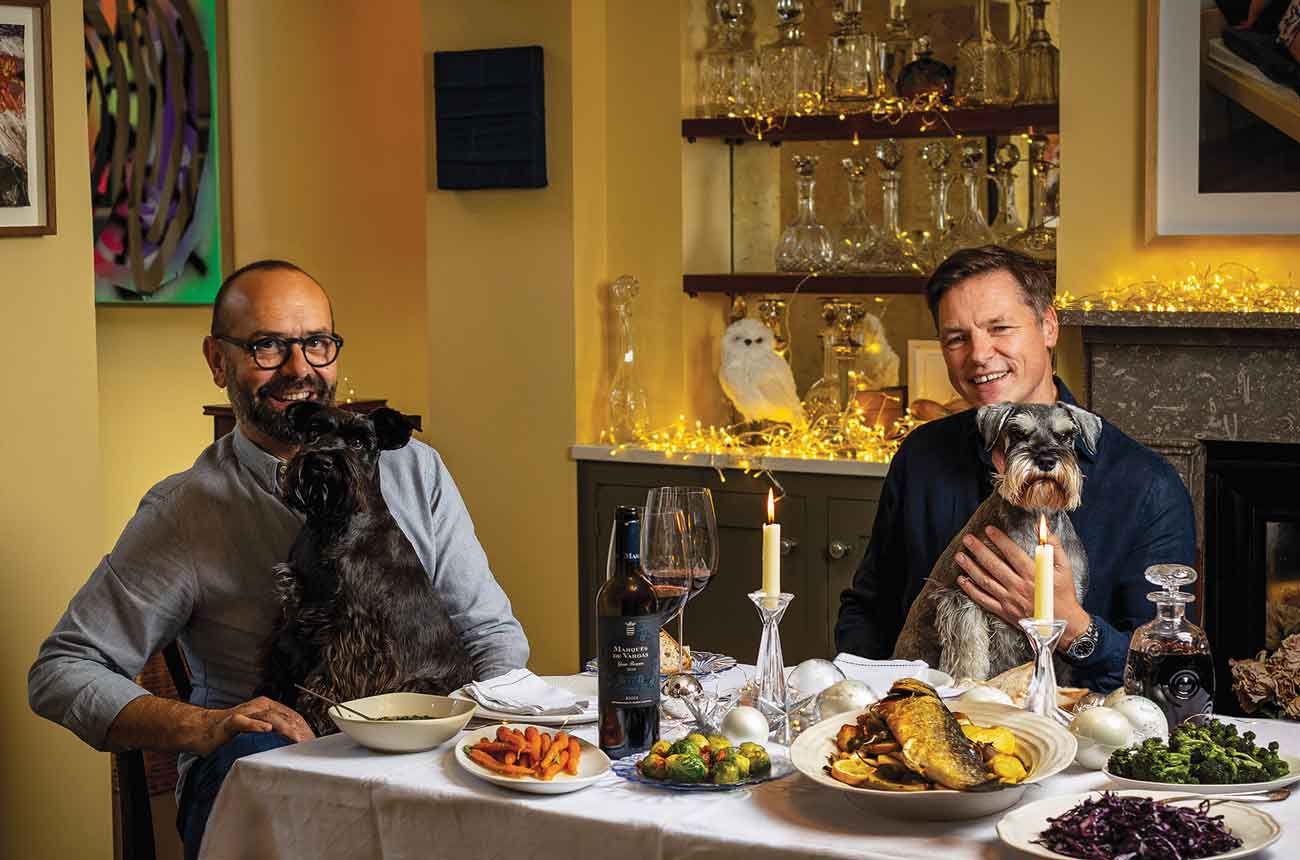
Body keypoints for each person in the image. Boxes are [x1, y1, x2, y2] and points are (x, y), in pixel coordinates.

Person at [29, 260, 529, 859]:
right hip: (264, 773)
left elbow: (490, 634)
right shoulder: (184, 511)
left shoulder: (415, 470)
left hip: (416, 761)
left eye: (317, 344)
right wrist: (204, 726)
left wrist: (475, 735)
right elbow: (62, 670)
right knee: (260, 763)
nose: (300, 370)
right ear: (218, 361)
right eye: (267, 346)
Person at [834, 246, 1196, 692]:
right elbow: (870, 607)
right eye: (956, 338)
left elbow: (1169, 675)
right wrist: (861, 696)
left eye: (999, 328)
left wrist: (1074, 627)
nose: (979, 355)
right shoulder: (921, 455)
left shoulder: (1148, 487)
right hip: (923, 713)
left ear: (1048, 326)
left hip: (1074, 737)